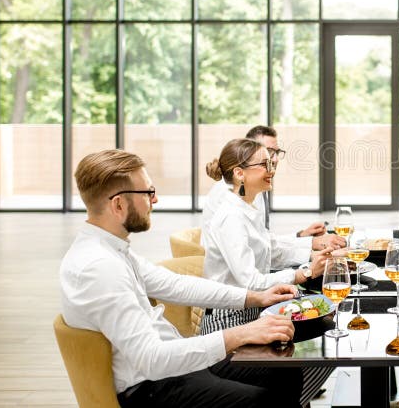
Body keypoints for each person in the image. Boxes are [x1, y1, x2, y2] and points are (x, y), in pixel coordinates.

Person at [60, 149, 304, 408]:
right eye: (148, 193)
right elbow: (151, 359)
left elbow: (176, 285)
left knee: (284, 370)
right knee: (262, 402)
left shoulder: (112, 249)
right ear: (118, 204)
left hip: (171, 368)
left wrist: (257, 297)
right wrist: (241, 333)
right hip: (150, 387)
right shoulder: (99, 268)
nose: (155, 200)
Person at [200, 138, 334, 406]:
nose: (272, 167)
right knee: (303, 364)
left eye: (272, 161)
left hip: (255, 317)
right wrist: (303, 273)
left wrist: (313, 253)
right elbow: (250, 281)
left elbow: (271, 249)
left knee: (326, 346)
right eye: (264, 163)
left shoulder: (248, 204)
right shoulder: (230, 216)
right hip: (228, 326)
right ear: (240, 173)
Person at [202, 125, 345, 256]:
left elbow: (261, 240)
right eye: (268, 152)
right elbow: (255, 255)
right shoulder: (231, 192)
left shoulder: (253, 185)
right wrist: (310, 248)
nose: (275, 159)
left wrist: (301, 235)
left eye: (277, 152)